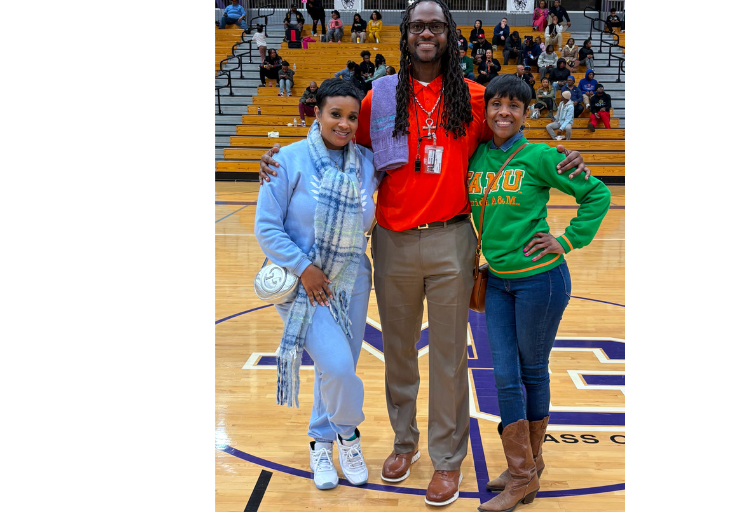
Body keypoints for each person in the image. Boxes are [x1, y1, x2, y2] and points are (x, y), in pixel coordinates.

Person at [253, 1, 591, 506]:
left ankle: (448, 460)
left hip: (453, 237)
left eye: (436, 25)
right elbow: (338, 141)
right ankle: (404, 442)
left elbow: (510, 139)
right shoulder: (378, 97)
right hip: (391, 238)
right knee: (399, 354)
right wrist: (280, 158)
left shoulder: (476, 98)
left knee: (451, 358)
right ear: (405, 34)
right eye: (417, 25)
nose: (426, 33)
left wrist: (565, 154)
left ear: (450, 33)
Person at [467, 74, 610, 511]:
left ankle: (525, 474)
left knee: (531, 372)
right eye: (496, 104)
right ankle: (524, 470)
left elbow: (597, 195)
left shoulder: (542, 155)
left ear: (527, 113)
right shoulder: (475, 158)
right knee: (503, 374)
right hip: (496, 281)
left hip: (540, 281)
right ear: (486, 110)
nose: (504, 112)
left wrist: (566, 240)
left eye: (514, 105)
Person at [255, 77, 382, 493]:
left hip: (352, 279)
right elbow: (268, 229)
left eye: (351, 117)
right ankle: (348, 434)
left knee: (335, 369)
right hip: (301, 283)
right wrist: (306, 268)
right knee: (340, 367)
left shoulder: (367, 163)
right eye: (335, 114)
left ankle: (320, 441)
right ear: (317, 113)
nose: (343, 124)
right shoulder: (286, 160)